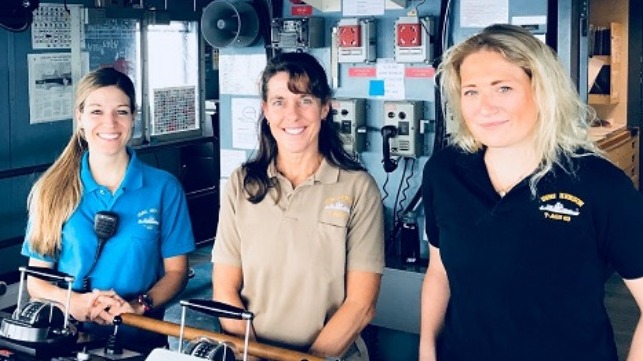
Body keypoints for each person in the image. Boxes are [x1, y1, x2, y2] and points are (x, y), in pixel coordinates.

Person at [419, 24, 643, 361]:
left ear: (542, 91)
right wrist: (427, 347)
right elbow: (439, 271)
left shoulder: (599, 184)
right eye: (471, 91)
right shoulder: (445, 171)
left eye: (504, 88)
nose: (485, 107)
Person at [212, 52, 384, 361]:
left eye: (304, 100)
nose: (292, 115)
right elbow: (225, 290)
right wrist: (253, 356)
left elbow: (361, 305)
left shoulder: (358, 187)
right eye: (279, 102)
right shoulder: (242, 183)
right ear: (265, 110)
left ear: (325, 107)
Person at [21, 67, 196, 352]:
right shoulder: (51, 190)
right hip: (68, 339)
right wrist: (74, 302)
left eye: (121, 111)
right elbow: (37, 281)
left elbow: (177, 273)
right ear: (79, 118)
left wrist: (139, 306)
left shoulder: (164, 188)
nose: (110, 123)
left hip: (141, 341)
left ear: (134, 117)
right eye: (96, 111)